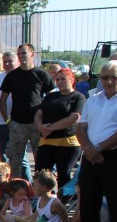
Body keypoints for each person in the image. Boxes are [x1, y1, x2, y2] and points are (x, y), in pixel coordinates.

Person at [72, 60, 117, 222]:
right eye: (104, 77)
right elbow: (81, 127)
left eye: (114, 76)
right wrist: (89, 149)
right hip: (90, 155)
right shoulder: (93, 99)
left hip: (116, 157)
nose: (109, 81)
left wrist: (99, 149)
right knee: (88, 203)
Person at [0, 43, 54, 181]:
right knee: (14, 161)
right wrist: (7, 120)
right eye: (19, 54)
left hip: (37, 124)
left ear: (32, 54)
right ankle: (15, 193)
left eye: (24, 53)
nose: (21, 56)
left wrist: (47, 120)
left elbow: (52, 98)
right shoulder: (12, 76)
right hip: (17, 123)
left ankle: (42, 191)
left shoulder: (41, 74)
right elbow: (3, 99)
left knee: (41, 160)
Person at [34, 67, 84, 197]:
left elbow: (74, 118)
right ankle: (42, 203)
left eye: (63, 79)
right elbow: (39, 113)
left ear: (72, 79)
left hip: (67, 143)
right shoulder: (50, 96)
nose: (60, 82)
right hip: (46, 141)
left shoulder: (78, 97)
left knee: (63, 174)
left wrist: (50, 128)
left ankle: (62, 203)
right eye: (57, 79)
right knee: (41, 174)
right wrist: (40, 127)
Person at [0, 170, 66, 222]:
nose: (32, 187)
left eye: (34, 185)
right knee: (9, 217)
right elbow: (35, 215)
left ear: (43, 188)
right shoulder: (40, 198)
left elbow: (66, 221)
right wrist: (19, 220)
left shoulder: (55, 203)